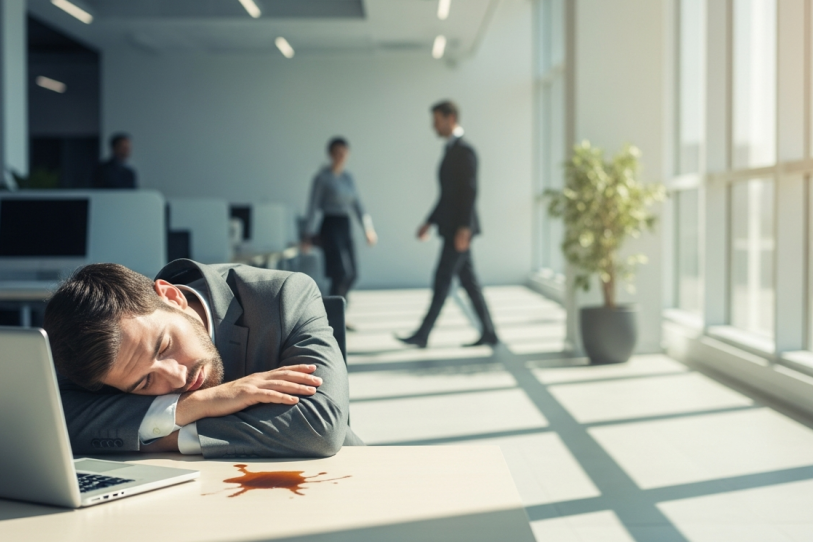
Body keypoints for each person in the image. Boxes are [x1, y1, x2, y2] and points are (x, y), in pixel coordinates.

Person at [43, 259, 362, 458]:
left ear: (172, 296)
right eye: (145, 382)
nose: (177, 377)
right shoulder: (100, 355)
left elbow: (320, 425)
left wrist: (171, 437)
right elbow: (51, 421)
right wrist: (199, 404)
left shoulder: (283, 296)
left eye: (164, 347)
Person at [396, 101, 498, 349]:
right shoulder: (451, 150)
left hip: (458, 231)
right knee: (468, 282)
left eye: (437, 121)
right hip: (453, 227)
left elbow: (470, 191)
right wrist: (429, 222)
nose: (434, 126)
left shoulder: (464, 151)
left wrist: (464, 227)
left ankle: (423, 334)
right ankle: (489, 332)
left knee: (442, 279)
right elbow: (447, 195)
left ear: (450, 118)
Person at [301, 137, 377, 300]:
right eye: (337, 152)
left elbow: (358, 205)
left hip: (345, 225)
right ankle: (333, 311)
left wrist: (368, 229)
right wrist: (307, 235)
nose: (340, 156)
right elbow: (312, 207)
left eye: (343, 152)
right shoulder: (322, 178)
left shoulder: (348, 178)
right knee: (339, 272)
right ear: (330, 154)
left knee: (352, 273)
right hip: (330, 225)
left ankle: (340, 306)